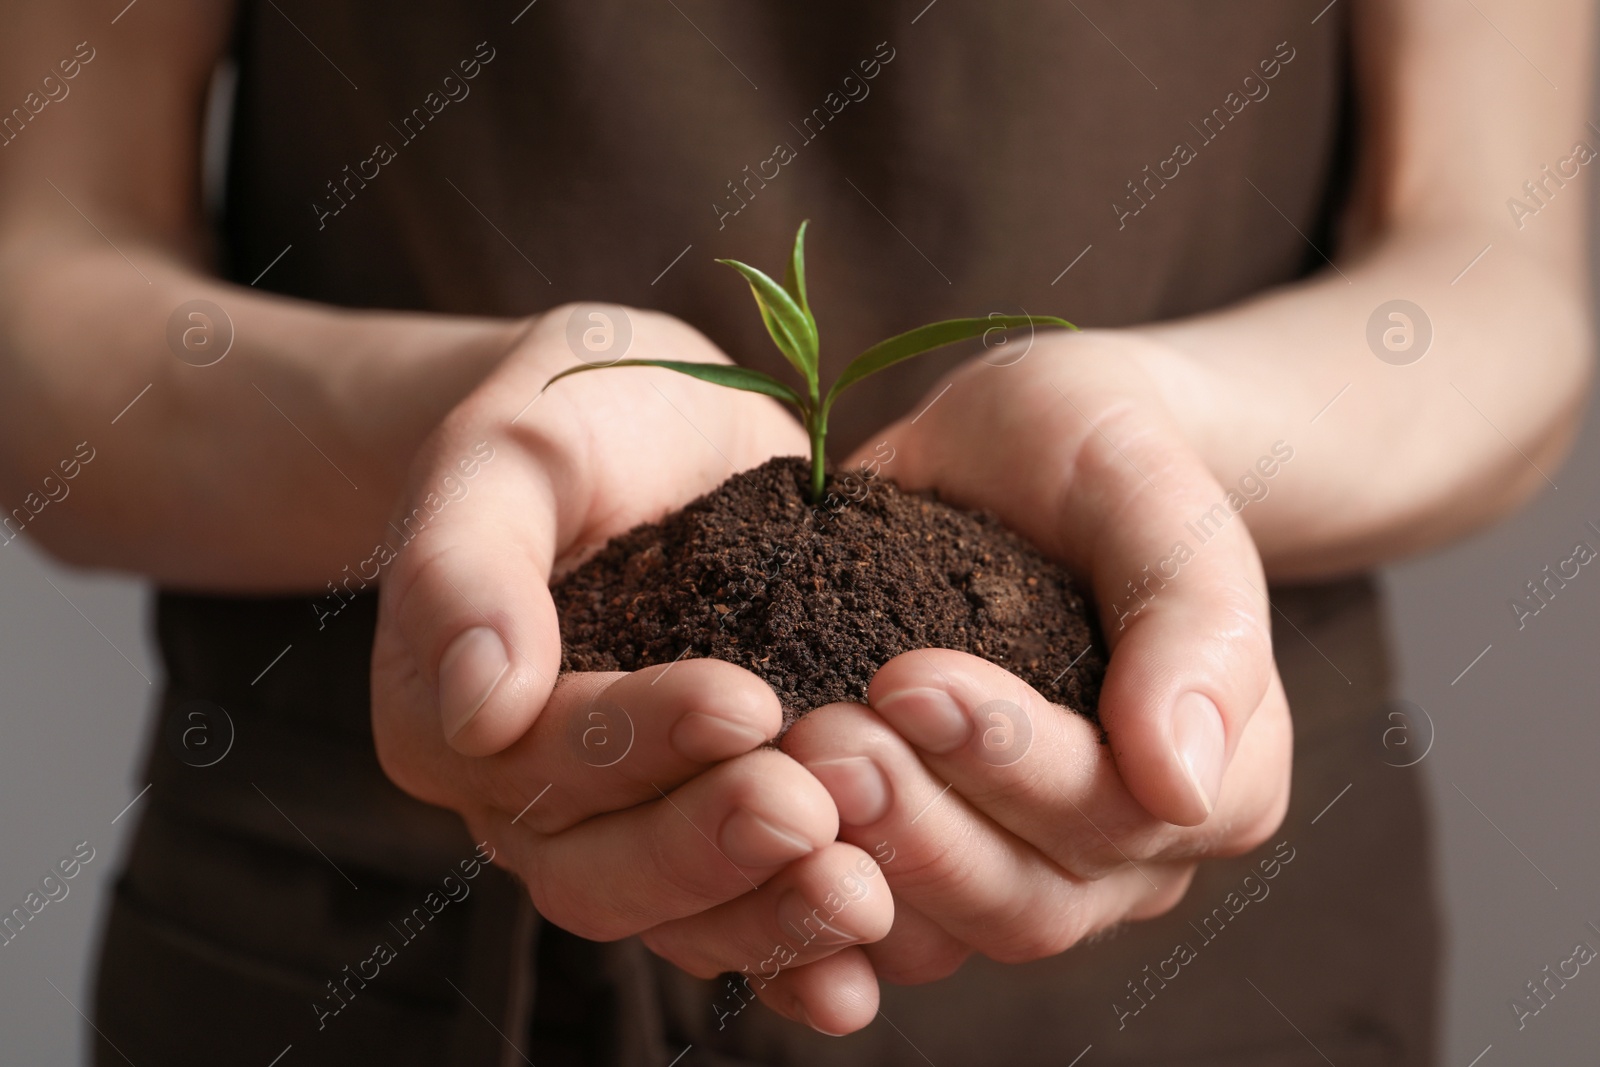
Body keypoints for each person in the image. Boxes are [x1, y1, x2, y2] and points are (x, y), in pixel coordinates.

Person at [0, 1, 1590, 1064]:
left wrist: (1155, 432)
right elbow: (43, 287)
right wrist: (478, 435)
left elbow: (1499, 268)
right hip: (377, 938)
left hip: (1202, 976)